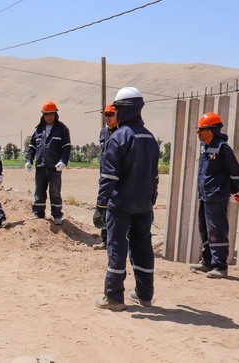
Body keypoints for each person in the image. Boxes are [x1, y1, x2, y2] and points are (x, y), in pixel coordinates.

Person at [93, 87, 159, 311]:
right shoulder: (149, 137)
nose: (115, 113)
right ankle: (145, 295)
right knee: (143, 247)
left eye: (117, 109)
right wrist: (151, 199)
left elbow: (109, 177)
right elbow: (154, 175)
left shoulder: (119, 137)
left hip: (120, 205)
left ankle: (114, 297)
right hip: (144, 204)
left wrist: (101, 205)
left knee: (117, 247)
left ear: (125, 109)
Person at [190, 112, 239, 279]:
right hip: (205, 195)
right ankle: (207, 262)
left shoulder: (222, 147)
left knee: (217, 231)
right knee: (204, 230)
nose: (198, 133)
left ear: (211, 130)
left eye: (201, 130)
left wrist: (233, 190)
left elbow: (236, 173)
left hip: (216, 196)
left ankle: (220, 266)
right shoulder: (206, 146)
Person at [25, 101, 71, 225]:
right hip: (40, 166)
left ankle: (57, 215)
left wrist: (63, 162)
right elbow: (31, 148)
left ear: (55, 114)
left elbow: (66, 148)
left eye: (51, 114)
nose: (49, 117)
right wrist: (29, 160)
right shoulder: (38, 130)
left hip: (55, 168)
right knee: (39, 190)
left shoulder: (62, 129)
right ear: (43, 115)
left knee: (55, 191)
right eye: (46, 114)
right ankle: (38, 213)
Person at [92, 104, 119, 251]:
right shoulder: (103, 133)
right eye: (106, 115)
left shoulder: (122, 133)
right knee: (105, 207)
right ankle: (105, 239)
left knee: (117, 209)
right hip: (104, 177)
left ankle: (115, 241)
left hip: (117, 178)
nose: (107, 118)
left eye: (110, 115)